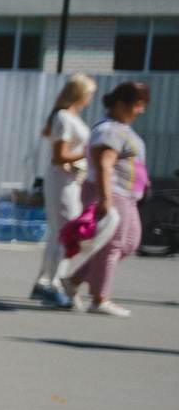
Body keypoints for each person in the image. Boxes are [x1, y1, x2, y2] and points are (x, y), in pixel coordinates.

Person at [62, 80, 150, 318]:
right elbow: (104, 165)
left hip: (127, 195)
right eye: (138, 105)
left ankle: (75, 279)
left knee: (129, 243)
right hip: (114, 192)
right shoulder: (109, 130)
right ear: (121, 104)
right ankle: (100, 299)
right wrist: (105, 199)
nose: (141, 111)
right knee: (112, 245)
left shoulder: (121, 127)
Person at [31, 74, 96, 308]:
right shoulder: (64, 118)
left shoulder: (67, 117)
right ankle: (53, 283)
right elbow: (59, 156)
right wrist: (88, 153)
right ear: (79, 94)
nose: (90, 99)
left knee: (59, 233)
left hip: (69, 179)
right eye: (89, 94)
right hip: (63, 179)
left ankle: (46, 282)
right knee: (67, 233)